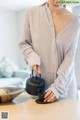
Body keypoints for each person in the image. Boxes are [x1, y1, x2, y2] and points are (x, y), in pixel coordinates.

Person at [19, 0, 80, 103]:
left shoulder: (74, 21)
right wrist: (33, 58)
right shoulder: (31, 13)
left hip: (66, 91)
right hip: (40, 90)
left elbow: (69, 57)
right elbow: (24, 43)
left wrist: (58, 88)